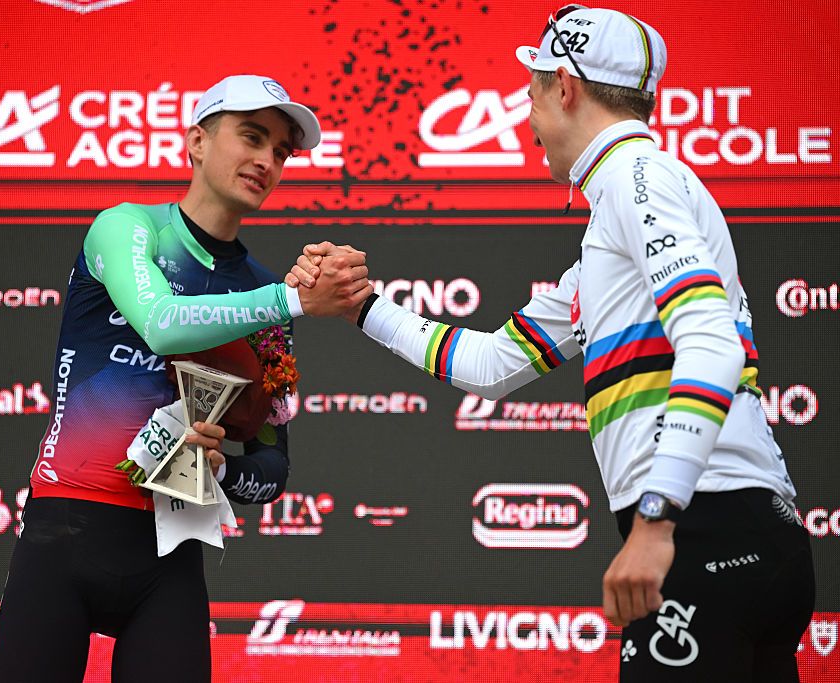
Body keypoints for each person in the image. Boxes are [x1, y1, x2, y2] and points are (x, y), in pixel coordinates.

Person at [288, 7, 814, 681]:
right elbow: (490, 365)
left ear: (565, 87)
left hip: (701, 530)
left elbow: (710, 342)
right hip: (748, 532)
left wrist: (656, 524)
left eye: (532, 91)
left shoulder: (635, 176)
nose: (527, 115)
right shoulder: (610, 236)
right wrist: (363, 307)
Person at [0, 74, 371, 683]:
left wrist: (224, 471)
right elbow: (163, 323)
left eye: (281, 151)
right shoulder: (126, 228)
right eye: (252, 137)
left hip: (169, 558)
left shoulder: (267, 297)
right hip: (65, 534)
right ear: (196, 141)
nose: (267, 160)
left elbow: (273, 466)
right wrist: (292, 300)